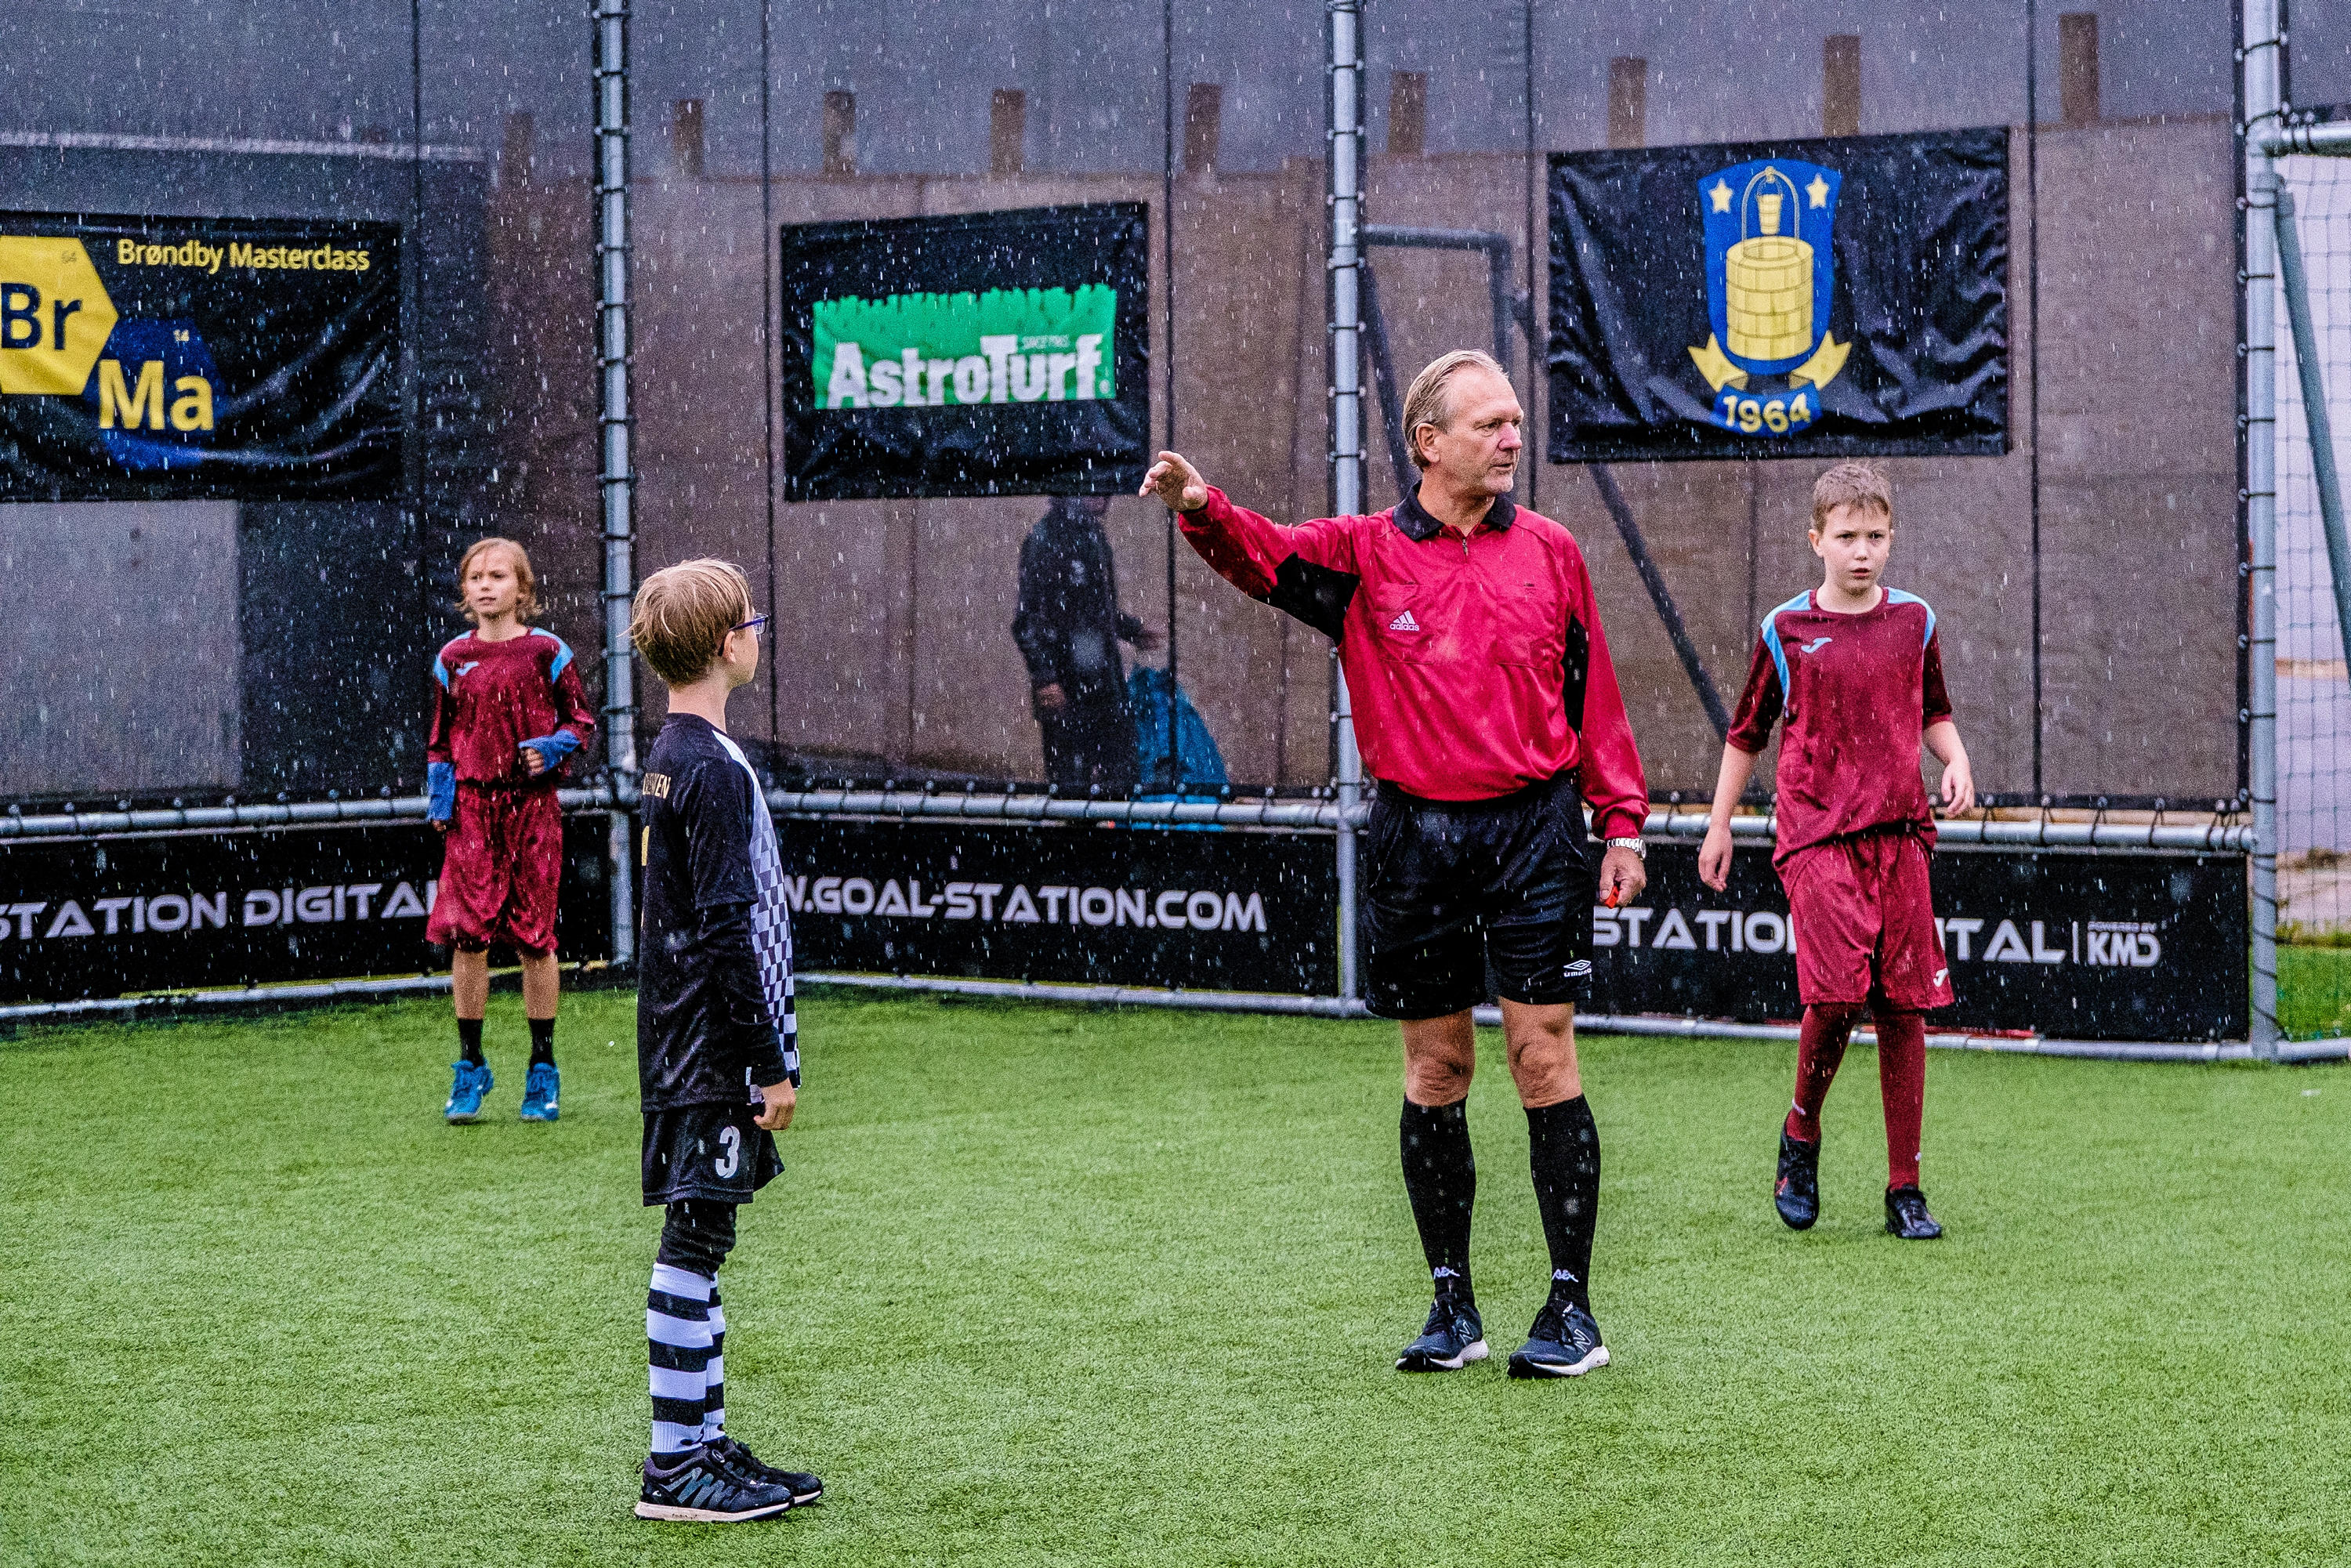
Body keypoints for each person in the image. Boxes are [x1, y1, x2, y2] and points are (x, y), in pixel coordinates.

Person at [1139, 349, 1650, 1380]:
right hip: (1416, 841)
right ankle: (1451, 1305)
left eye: (1516, 423)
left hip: (1535, 835)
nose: (1513, 439)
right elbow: (1265, 558)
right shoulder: (1364, 556)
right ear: (1428, 442)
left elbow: (1594, 696)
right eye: (1490, 425)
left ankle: (1570, 1312)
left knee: (1543, 1059)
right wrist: (1200, 505)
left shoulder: (1552, 552)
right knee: (1436, 1068)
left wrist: (1624, 819)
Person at [1697, 461, 1975, 1241]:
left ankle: (1905, 1188)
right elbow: (1746, 734)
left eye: (1876, 536)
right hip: (1816, 836)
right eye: (1847, 537)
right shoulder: (1784, 630)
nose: (1862, 552)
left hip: (1901, 836)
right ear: (1816, 539)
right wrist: (1718, 826)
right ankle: (1802, 1130)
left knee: (1903, 1007)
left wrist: (1955, 759)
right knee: (1837, 995)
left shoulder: (1915, 620)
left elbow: (1936, 714)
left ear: (1892, 539)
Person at [628, 558, 821, 1523]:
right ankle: (674, 1464)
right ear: (725, 644)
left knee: (708, 1232)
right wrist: (768, 1060)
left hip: (689, 1042)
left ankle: (699, 1443)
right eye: (752, 618)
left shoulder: (678, 753)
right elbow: (727, 929)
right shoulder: (706, 764)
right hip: (709, 1052)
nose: (759, 631)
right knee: (694, 1238)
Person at [426, 538, 596, 1124]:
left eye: (498, 575)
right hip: (472, 812)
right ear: (465, 590)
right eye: (475, 576)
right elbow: (439, 740)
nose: (485, 584)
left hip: (533, 812)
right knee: (468, 937)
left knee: (534, 938)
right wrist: (443, 799)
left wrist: (550, 750)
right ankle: (470, 1064)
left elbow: (582, 722)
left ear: (522, 589)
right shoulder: (451, 658)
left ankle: (541, 1067)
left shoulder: (548, 652)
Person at [1012, 494, 1161, 792]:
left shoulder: (1092, 536)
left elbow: (1092, 609)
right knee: (1072, 782)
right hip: (1068, 683)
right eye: (1095, 488)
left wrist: (1131, 630)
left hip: (1102, 682)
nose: (1105, 496)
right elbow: (1027, 620)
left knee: (1120, 775)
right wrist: (1046, 678)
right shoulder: (1046, 539)